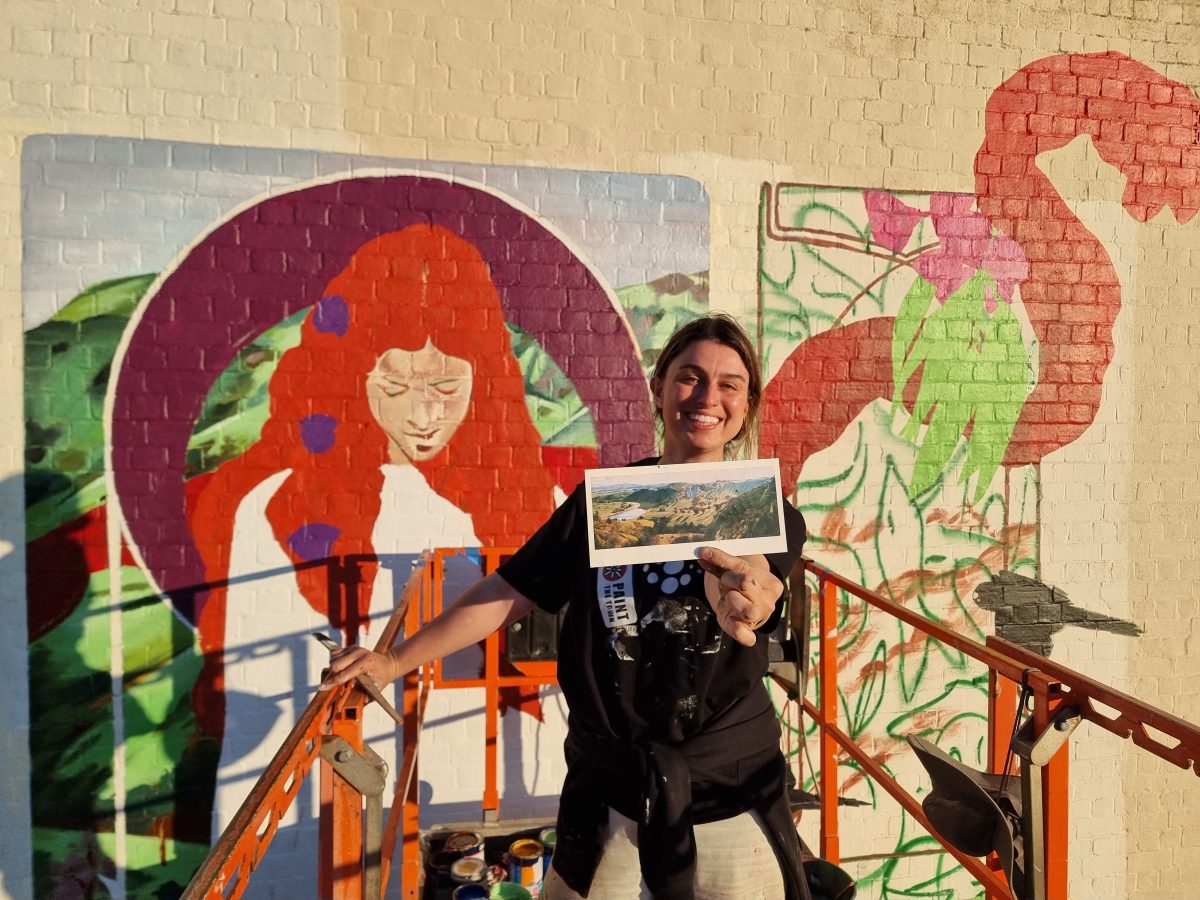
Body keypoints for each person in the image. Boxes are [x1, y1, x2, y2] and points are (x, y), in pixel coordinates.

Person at [323, 312, 811, 900]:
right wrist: (393, 662)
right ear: (659, 388)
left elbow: (765, 588)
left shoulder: (764, 514)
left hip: (730, 792)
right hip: (609, 792)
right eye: (689, 377)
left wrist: (752, 605)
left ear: (747, 404)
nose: (708, 397)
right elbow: (509, 590)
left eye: (730, 384)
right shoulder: (608, 506)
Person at [190, 223, 565, 841]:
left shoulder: (540, 503)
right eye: (395, 386)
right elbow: (256, 721)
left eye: (447, 386)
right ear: (350, 377)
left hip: (498, 785)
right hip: (334, 801)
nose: (425, 415)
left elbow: (558, 687)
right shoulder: (275, 509)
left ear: (488, 378)